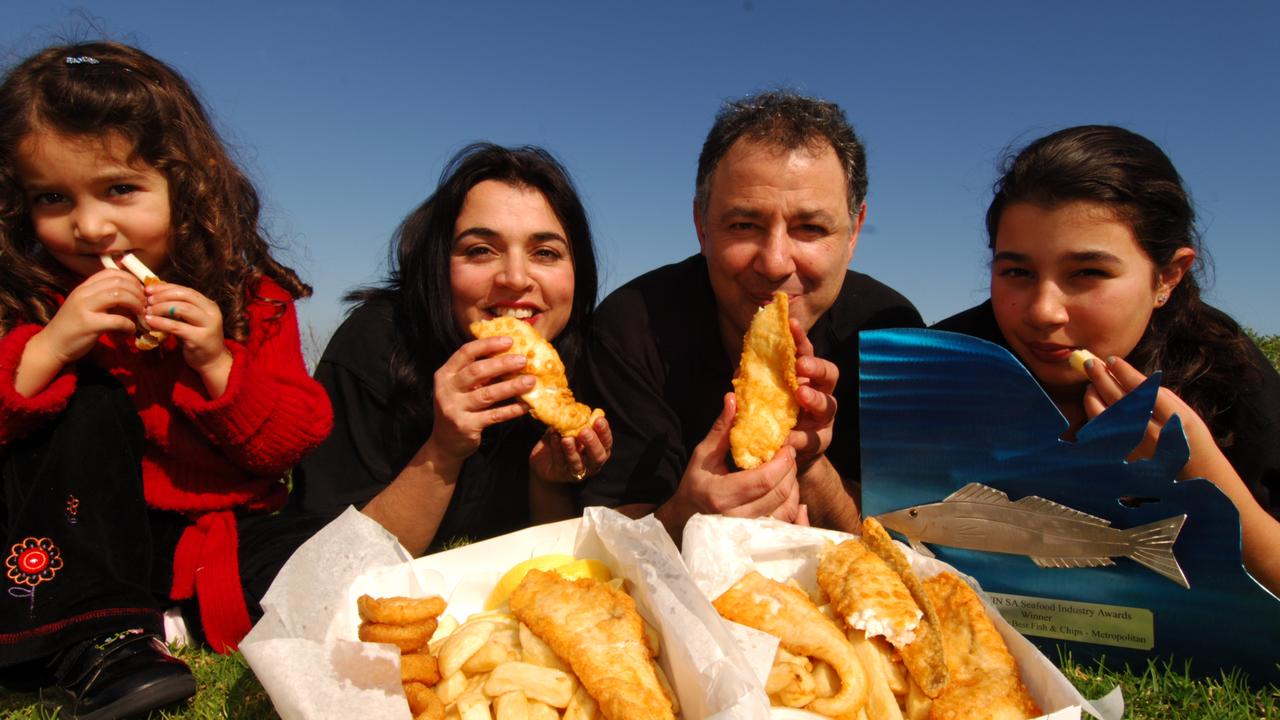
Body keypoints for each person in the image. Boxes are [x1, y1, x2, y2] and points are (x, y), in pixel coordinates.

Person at [0, 41, 333, 716]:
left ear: (189, 184)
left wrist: (216, 363)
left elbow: (289, 443)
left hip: (227, 528)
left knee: (326, 569)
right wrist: (52, 346)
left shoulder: (253, 301)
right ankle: (100, 639)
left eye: (120, 189)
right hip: (82, 533)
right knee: (92, 402)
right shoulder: (29, 299)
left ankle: (157, 622)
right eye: (52, 197)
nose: (90, 227)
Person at [934, 124, 1280, 594]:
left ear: (1168, 277)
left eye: (1088, 273)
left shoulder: (1226, 369)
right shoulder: (940, 365)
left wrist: (1201, 471)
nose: (1043, 311)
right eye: (1017, 271)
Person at [579, 91, 924, 540]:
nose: (776, 262)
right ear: (702, 225)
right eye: (743, 225)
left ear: (854, 231)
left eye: (811, 228)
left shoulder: (892, 337)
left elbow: (901, 541)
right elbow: (607, 529)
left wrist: (811, 463)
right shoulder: (632, 326)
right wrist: (684, 514)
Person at [291, 143, 611, 556]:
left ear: (577, 273)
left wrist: (548, 481)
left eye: (545, 253)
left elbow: (560, 566)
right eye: (480, 250)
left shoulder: (579, 364)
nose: (515, 278)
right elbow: (330, 571)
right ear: (438, 264)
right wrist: (443, 449)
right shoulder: (377, 347)